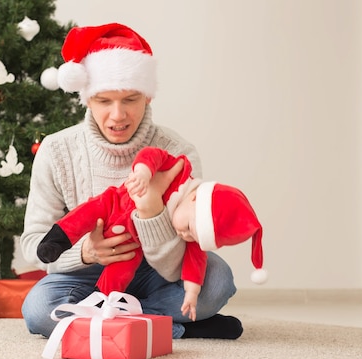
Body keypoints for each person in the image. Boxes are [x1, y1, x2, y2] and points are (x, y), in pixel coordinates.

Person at [20, 22, 242, 339]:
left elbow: (184, 254)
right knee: (39, 309)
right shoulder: (57, 151)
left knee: (218, 279)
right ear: (86, 99)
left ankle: (114, 320)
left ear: (148, 97)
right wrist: (87, 252)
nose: (118, 115)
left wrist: (151, 210)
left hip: (159, 271)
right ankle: (171, 324)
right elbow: (34, 244)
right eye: (104, 101)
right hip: (86, 275)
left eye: (130, 99)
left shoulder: (177, 152)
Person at [36, 146, 267, 322]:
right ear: (195, 199)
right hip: (112, 208)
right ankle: (177, 327)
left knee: (215, 280)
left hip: (136, 251)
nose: (184, 235)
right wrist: (144, 174)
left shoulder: (192, 235)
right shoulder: (180, 171)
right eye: (187, 227)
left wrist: (191, 294)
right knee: (39, 309)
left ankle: (105, 309)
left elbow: (194, 264)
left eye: (192, 236)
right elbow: (151, 154)